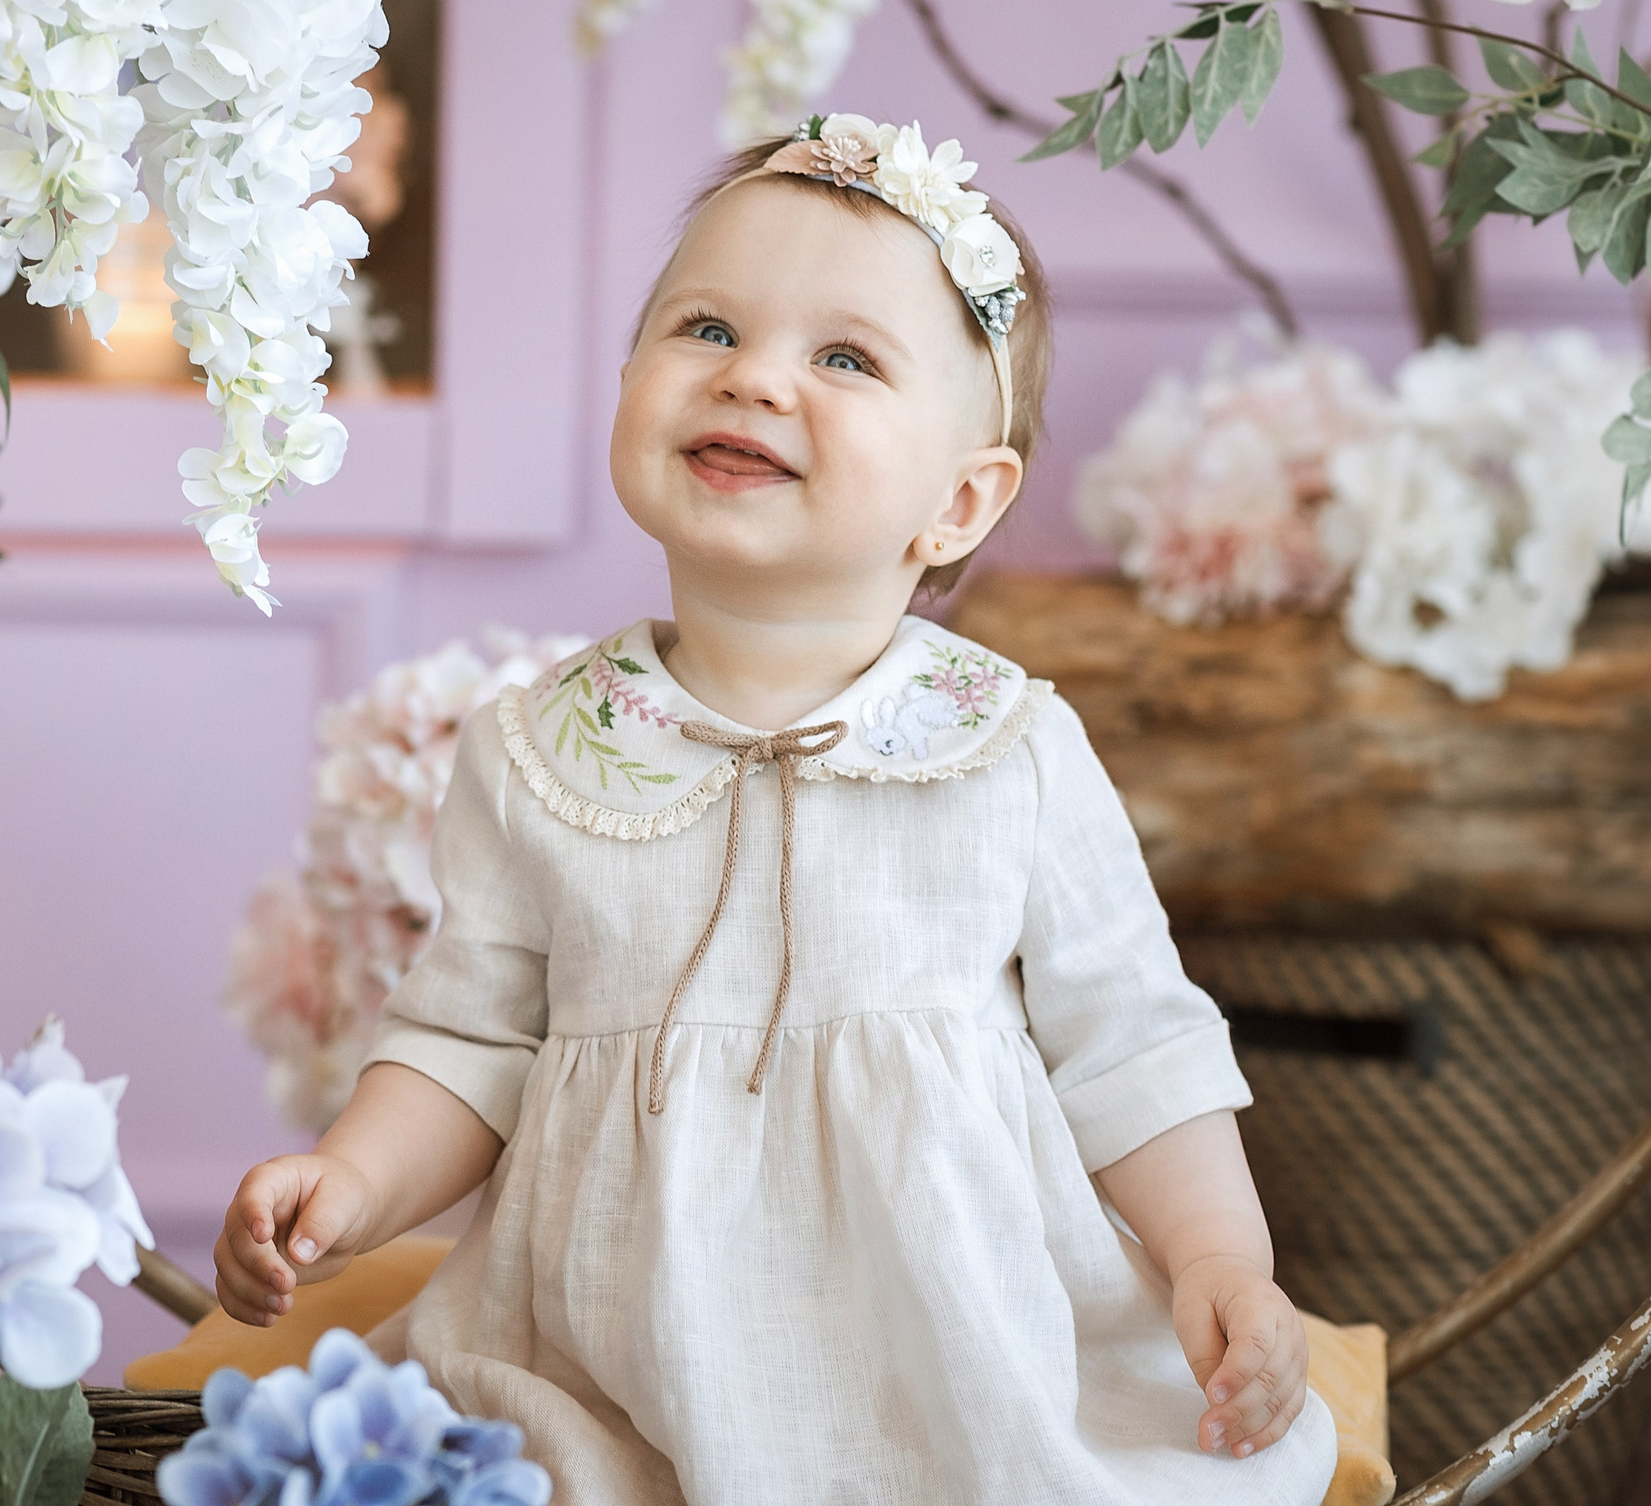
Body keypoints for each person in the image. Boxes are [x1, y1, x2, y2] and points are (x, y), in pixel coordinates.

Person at [208, 117, 1340, 1504]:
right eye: (707, 327)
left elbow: (1134, 1045)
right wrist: (353, 1184)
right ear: (627, 383)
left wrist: (1223, 1257)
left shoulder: (1009, 750)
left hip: (950, 1371)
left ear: (961, 502)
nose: (754, 378)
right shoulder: (543, 748)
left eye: (845, 357)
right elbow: (468, 1036)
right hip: (602, 1365)